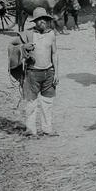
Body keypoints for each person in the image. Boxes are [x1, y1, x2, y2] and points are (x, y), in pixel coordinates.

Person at [21, 7, 59, 136]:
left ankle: (47, 129)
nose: (42, 21)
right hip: (33, 72)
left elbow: (54, 53)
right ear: (35, 21)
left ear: (48, 20)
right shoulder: (28, 34)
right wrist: (23, 47)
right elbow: (13, 47)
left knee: (47, 102)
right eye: (39, 19)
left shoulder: (52, 34)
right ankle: (31, 130)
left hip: (48, 72)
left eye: (44, 19)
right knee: (31, 102)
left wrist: (56, 73)